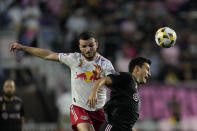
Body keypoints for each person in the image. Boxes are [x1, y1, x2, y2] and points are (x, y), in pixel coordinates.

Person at [10, 32, 115, 131]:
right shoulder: (74, 59)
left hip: (99, 111)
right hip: (79, 108)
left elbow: (113, 82)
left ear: (96, 44)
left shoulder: (105, 64)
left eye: (91, 45)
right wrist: (23, 48)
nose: (88, 49)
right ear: (79, 47)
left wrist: (99, 80)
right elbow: (48, 55)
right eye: (84, 46)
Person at [87, 57, 151, 131]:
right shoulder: (128, 78)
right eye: (147, 69)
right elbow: (104, 80)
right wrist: (93, 93)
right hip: (112, 127)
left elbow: (125, 120)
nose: (149, 74)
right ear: (137, 68)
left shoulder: (132, 88)